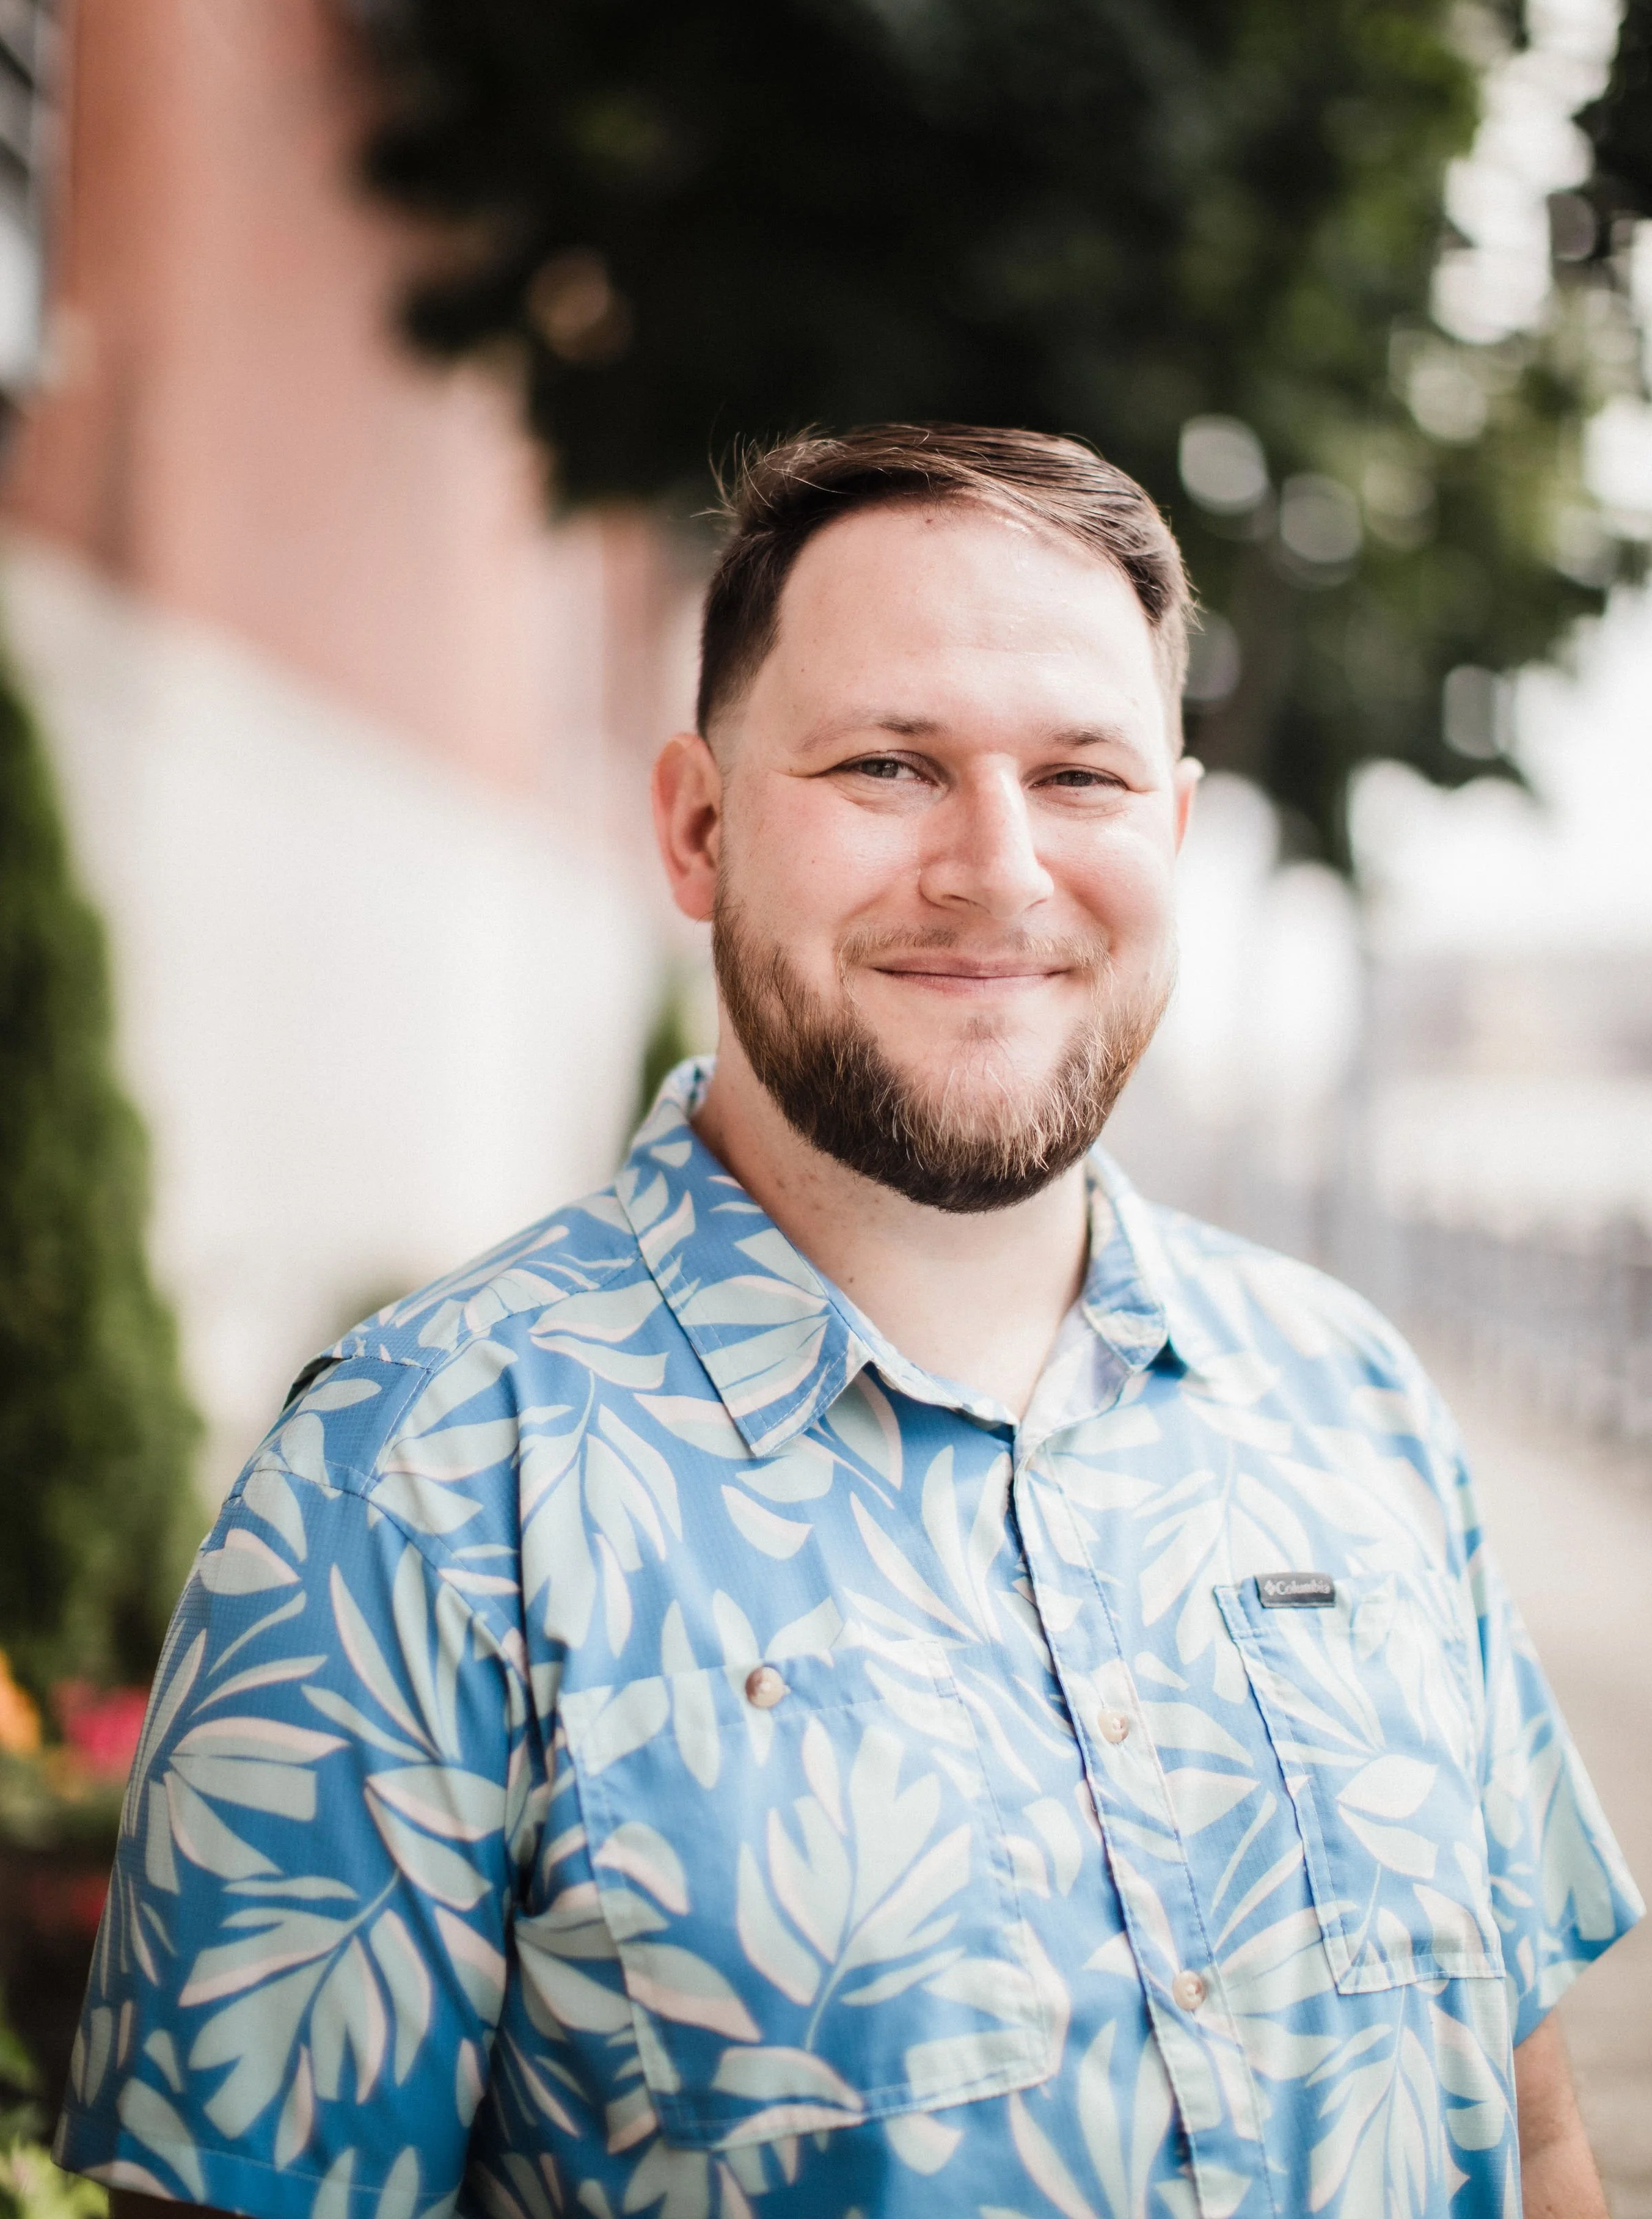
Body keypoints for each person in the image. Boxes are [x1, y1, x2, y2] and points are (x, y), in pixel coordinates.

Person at [60, 425, 1640, 2219]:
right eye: (891, 765)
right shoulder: (406, 1496)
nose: (1002, 869)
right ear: (698, 826)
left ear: (1176, 830)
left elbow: (1534, 2142)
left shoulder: (1355, 1402)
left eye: (1083, 777)